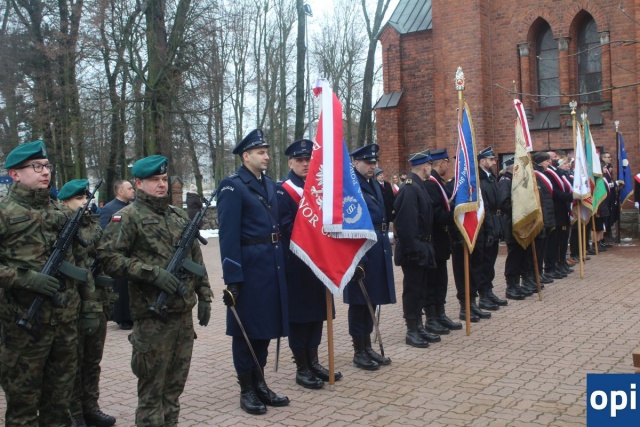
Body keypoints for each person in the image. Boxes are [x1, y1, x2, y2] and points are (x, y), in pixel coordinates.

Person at [98, 154, 212, 427]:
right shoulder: (127, 217)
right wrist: (151, 273)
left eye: (164, 179)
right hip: (153, 318)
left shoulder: (178, 216)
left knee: (174, 390)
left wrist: (205, 295)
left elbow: (196, 260)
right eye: (154, 180)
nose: (161, 185)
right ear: (138, 183)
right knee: (152, 392)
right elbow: (108, 258)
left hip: (182, 316)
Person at [0, 140, 92, 426]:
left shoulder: (62, 212)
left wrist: (90, 307)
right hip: (24, 325)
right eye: (36, 166)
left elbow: (81, 263)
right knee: (23, 408)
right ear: (15, 174)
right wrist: (24, 278)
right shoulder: (4, 212)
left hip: (65, 322)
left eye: (47, 166)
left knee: (60, 406)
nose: (45, 172)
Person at [217, 129, 289, 415]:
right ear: (246, 156)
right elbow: (228, 236)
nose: (266, 156)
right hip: (249, 269)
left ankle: (260, 383)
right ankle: (246, 389)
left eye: (267, 151)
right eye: (260, 152)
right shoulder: (232, 186)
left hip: (271, 267)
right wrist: (233, 279)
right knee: (246, 331)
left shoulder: (269, 184)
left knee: (265, 328)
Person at [276, 138, 340, 390]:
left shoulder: (318, 189)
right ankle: (302, 367)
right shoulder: (283, 191)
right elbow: (286, 226)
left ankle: (313, 361)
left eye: (308, 160)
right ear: (290, 163)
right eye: (299, 160)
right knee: (300, 317)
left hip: (319, 264)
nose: (304, 164)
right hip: (297, 264)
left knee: (317, 314)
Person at [58, 179, 116, 427]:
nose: (84, 203)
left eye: (85, 198)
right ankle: (74, 412)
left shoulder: (93, 225)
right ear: (64, 202)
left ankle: (90, 406)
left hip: (97, 302)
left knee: (92, 359)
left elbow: (105, 254)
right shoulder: (60, 226)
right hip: (72, 304)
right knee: (73, 361)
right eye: (78, 199)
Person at [345, 144, 396, 370]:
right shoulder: (351, 186)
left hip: (377, 246)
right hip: (361, 249)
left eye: (374, 162)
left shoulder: (373, 183)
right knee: (359, 301)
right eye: (368, 162)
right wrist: (355, 259)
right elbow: (349, 223)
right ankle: (359, 350)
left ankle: (367, 347)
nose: (372, 166)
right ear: (355, 162)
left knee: (371, 299)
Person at [393, 150, 439, 348]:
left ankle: (419, 326)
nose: (431, 169)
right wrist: (415, 249)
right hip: (414, 249)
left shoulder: (418, 186)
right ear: (425, 166)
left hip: (422, 246)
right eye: (430, 165)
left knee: (421, 289)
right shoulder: (410, 188)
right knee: (413, 290)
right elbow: (406, 224)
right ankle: (411, 329)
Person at [423, 148, 462, 332]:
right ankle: (431, 317)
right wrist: (455, 213)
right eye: (447, 163)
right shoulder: (431, 185)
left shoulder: (438, 183)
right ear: (441, 163)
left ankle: (440, 314)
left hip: (441, 241)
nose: (449, 166)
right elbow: (437, 214)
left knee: (441, 280)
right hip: (434, 240)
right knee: (432, 281)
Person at [99, 179, 135, 330]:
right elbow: (103, 230)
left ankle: (133, 314)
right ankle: (123, 318)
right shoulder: (109, 208)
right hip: (118, 252)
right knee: (121, 287)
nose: (133, 190)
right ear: (120, 191)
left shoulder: (133, 207)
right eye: (129, 188)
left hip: (133, 253)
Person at [476, 147, 508, 310]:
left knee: (491, 261)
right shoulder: (480, 179)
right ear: (482, 161)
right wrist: (489, 228)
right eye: (491, 159)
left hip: (495, 221)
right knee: (484, 262)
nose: (495, 162)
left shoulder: (491, 178)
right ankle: (483, 294)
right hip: (487, 224)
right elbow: (485, 206)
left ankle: (488, 291)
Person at [498, 158, 531, 300]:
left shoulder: (514, 180)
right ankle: (511, 285)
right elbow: (504, 203)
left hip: (520, 222)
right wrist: (521, 209)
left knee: (521, 254)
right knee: (514, 255)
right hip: (512, 223)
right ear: (513, 168)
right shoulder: (505, 181)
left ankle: (517, 284)